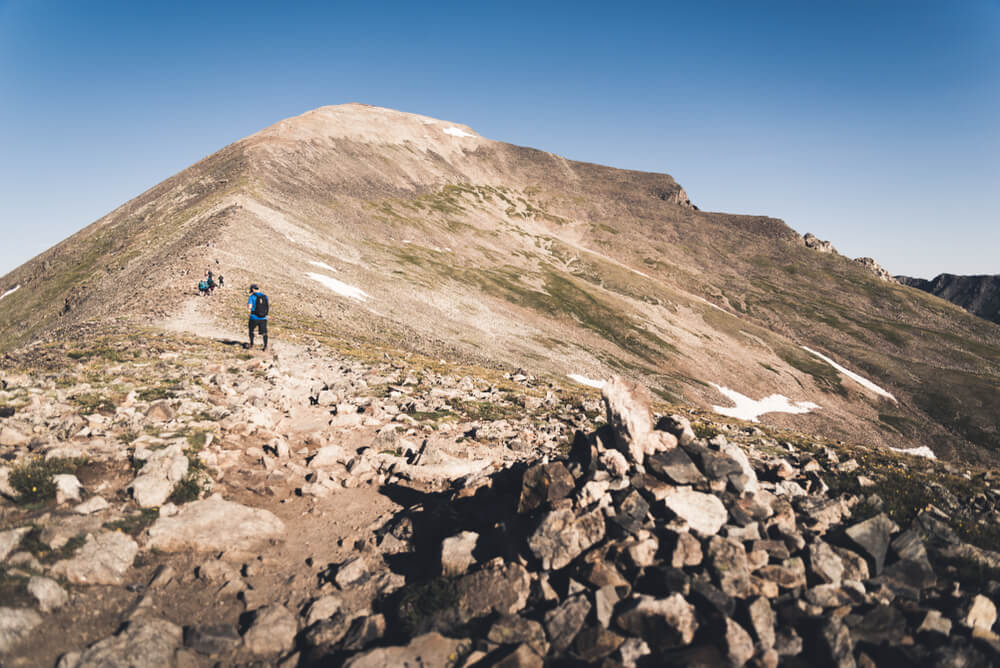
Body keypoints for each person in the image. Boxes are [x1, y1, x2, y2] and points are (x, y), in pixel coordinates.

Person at [247, 283, 269, 351]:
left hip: (254, 317)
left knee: (251, 330)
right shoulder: (265, 296)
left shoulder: (251, 297)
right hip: (263, 318)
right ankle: (265, 346)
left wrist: (249, 307)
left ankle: (251, 344)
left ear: (253, 289)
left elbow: (249, 307)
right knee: (264, 332)